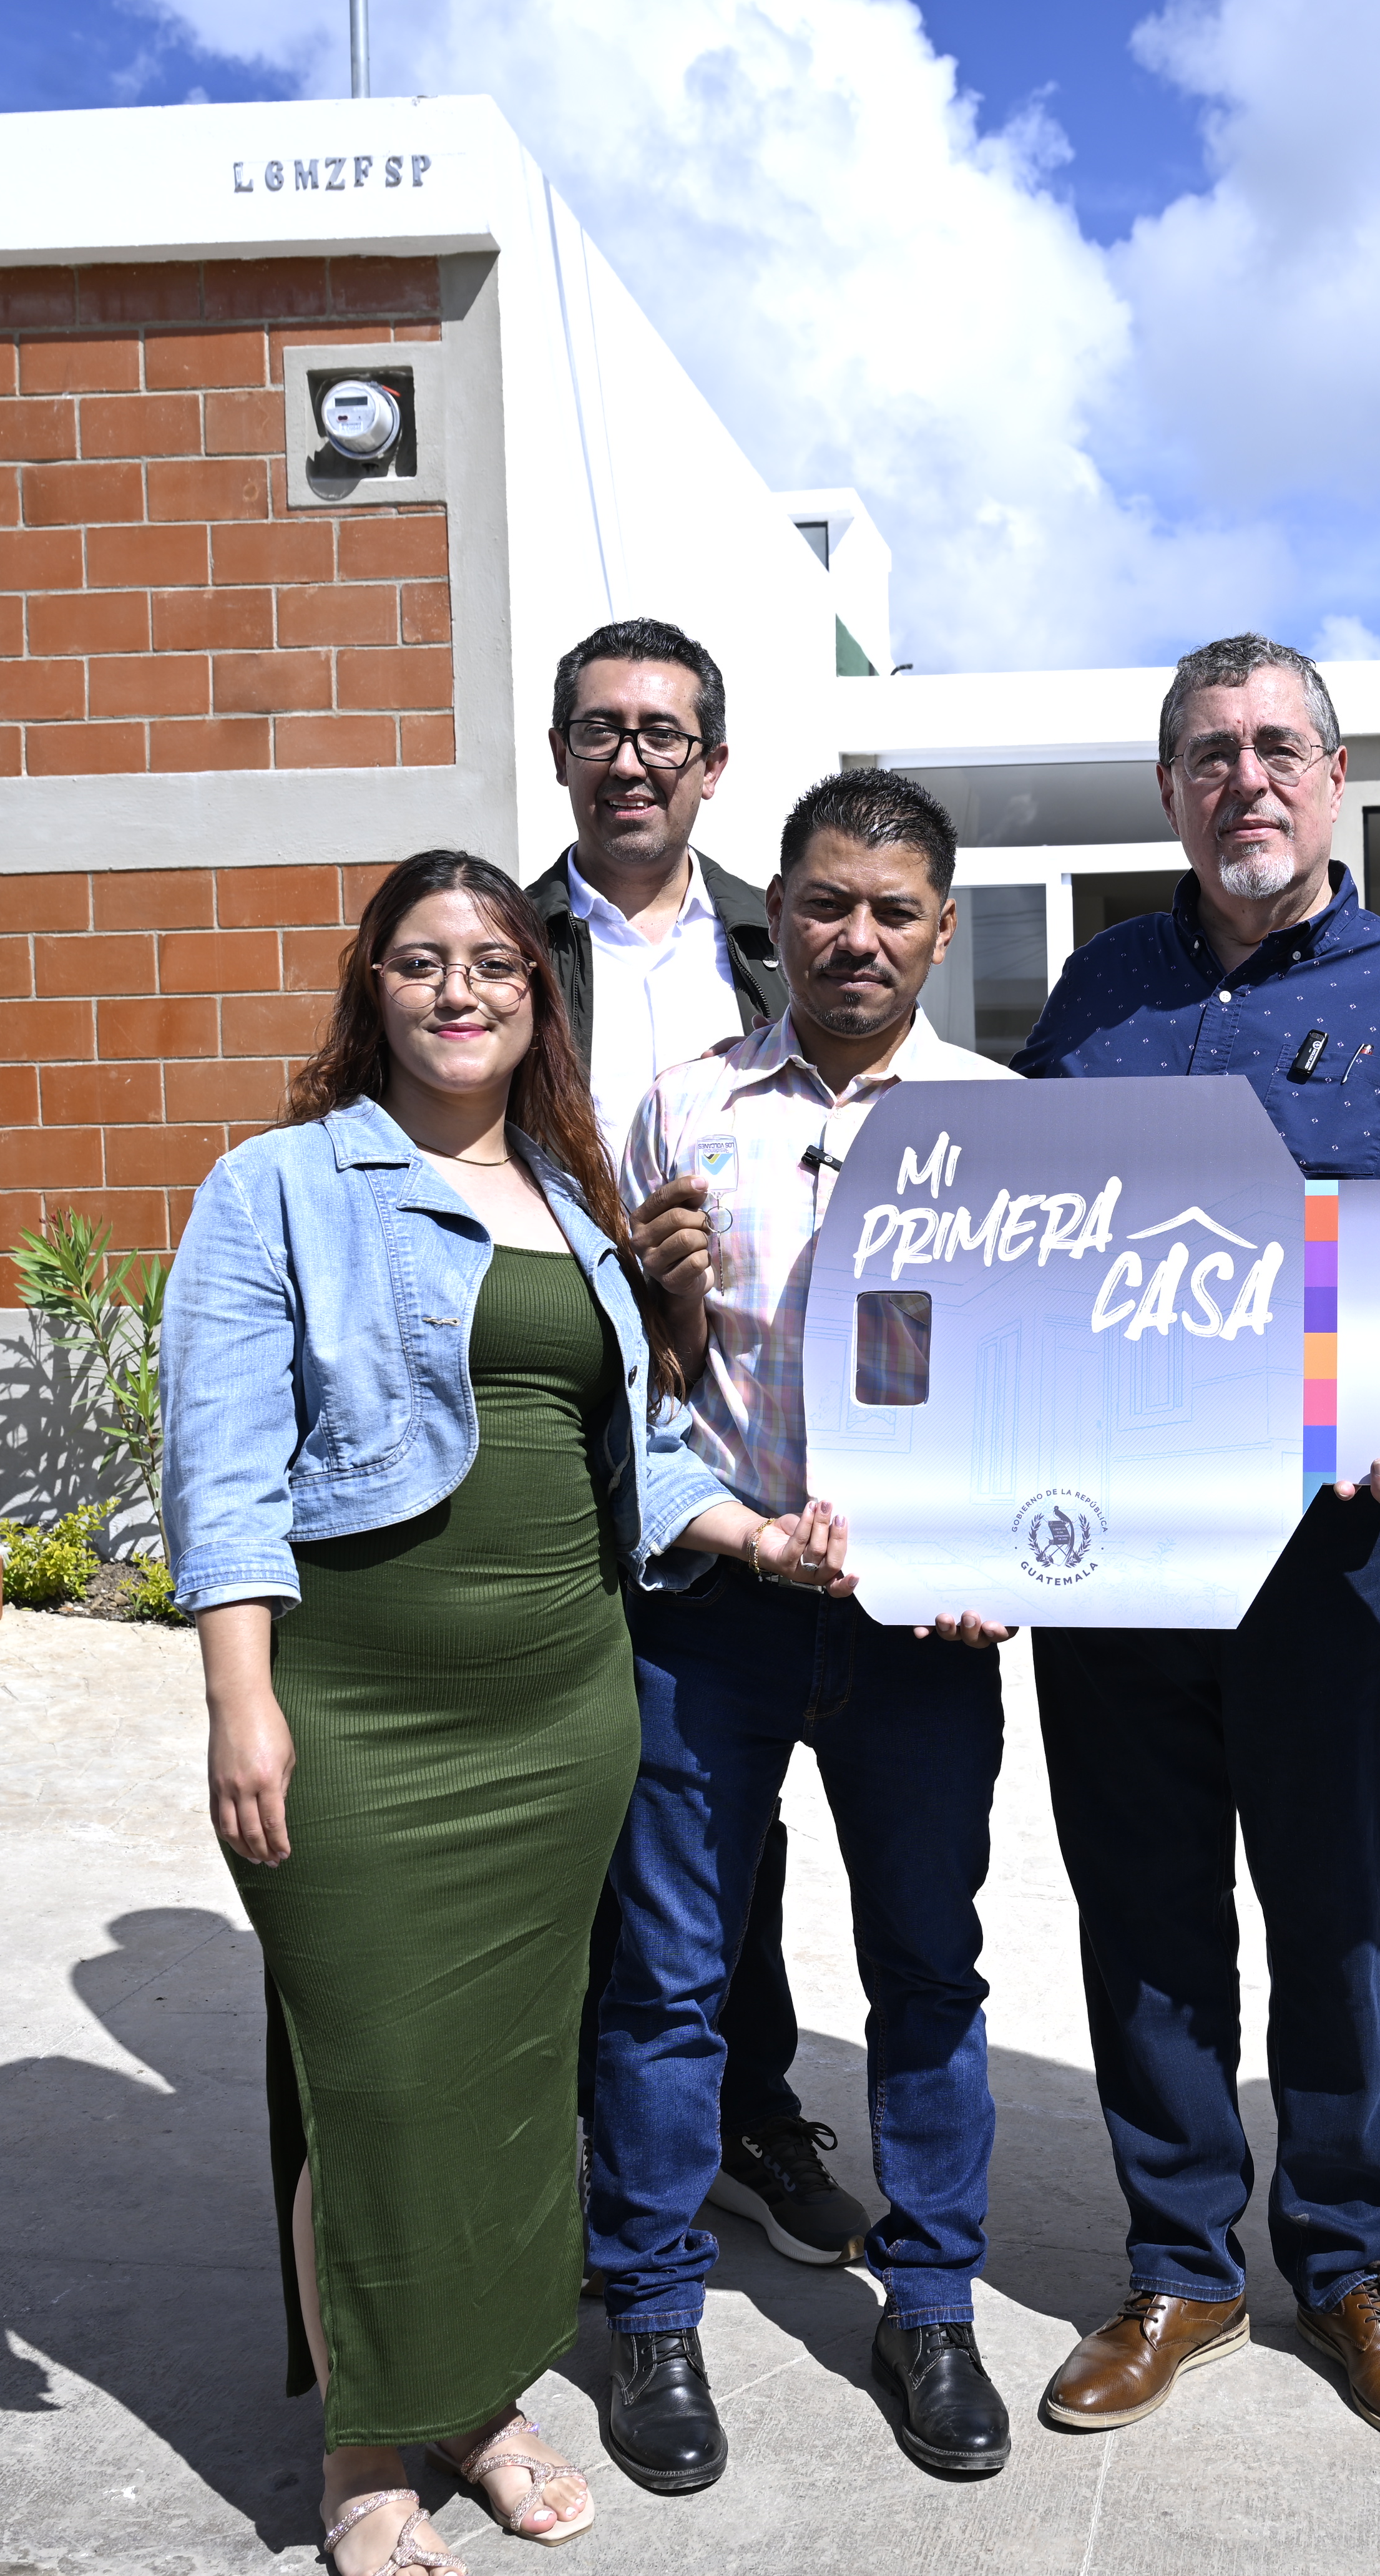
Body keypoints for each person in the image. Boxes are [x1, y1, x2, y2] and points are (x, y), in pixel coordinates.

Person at [165, 851, 849, 2574]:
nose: (458, 989)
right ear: (371, 991)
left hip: (562, 1708)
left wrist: (760, 1532)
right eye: (419, 962)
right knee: (377, 2081)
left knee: (506, 2086)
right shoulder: (281, 1189)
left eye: (493, 963)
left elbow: (643, 1460)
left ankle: (474, 2398)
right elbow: (222, 1473)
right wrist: (242, 1702)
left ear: (538, 1001)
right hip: (361, 1703)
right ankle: (365, 2441)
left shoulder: (571, 1197)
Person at [1012, 632, 1380, 2447]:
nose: (1248, 780)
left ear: (1335, 774)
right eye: (1211, 753)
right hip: (1122, 1542)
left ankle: (1353, 2259)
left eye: (1278, 746)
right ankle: (1180, 2260)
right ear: (1168, 790)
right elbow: (1032, 1251)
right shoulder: (1096, 995)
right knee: (1143, 1909)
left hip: (1336, 1560)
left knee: (1337, 1910)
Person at [584, 769, 1025, 2491]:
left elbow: (1043, 1399)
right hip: (718, 1615)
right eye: (826, 904)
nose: (855, 938)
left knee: (926, 1968)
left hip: (926, 1635)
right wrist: (670, 1306)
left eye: (892, 910)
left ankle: (930, 2304)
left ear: (943, 929)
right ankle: (654, 2314)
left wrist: (1012, 1559)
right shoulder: (679, 1115)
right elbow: (637, 1398)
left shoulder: (1008, 1123)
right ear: (777, 910)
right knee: (672, 1980)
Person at [524, 614, 864, 2276]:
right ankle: (589, 2128)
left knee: (732, 1800)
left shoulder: (775, 939)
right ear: (561, 754)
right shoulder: (499, 946)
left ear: (713, 765)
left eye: (666, 732)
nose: (635, 756)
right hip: (549, 1418)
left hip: (739, 1425)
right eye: (603, 728)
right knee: (586, 1798)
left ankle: (747, 2107)